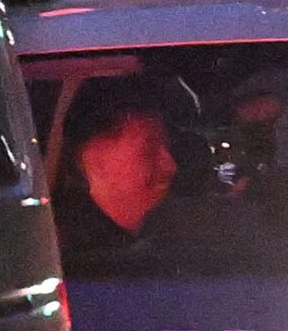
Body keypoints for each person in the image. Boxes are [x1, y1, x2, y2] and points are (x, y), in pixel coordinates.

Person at [54, 75, 193, 257]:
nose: (171, 166)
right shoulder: (73, 257)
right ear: (95, 159)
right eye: (149, 149)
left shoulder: (177, 234)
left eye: (167, 145)